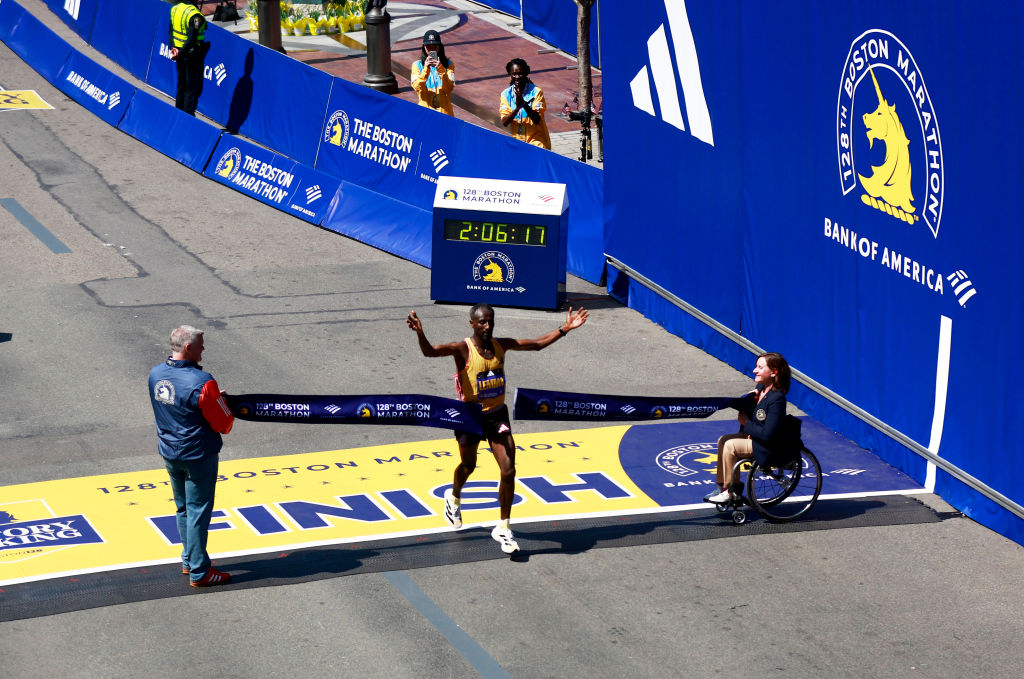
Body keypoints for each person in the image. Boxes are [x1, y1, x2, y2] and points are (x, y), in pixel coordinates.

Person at [406, 303, 588, 553]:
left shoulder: (501, 345)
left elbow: (536, 344)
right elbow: (431, 352)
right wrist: (420, 333)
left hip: (496, 416)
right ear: (472, 324)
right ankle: (454, 497)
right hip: (469, 417)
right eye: (482, 322)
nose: (487, 326)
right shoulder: (462, 349)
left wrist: (565, 328)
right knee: (468, 466)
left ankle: (503, 527)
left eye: (490, 321)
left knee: (509, 469)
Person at [149, 325, 234, 586]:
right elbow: (224, 424)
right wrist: (220, 403)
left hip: (169, 452)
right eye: (200, 344)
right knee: (198, 511)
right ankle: (200, 571)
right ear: (188, 348)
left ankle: (189, 560)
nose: (203, 348)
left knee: (183, 508)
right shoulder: (202, 382)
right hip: (198, 455)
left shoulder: (155, 374)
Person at [705, 352, 792, 504]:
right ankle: (723, 487)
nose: (754, 370)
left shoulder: (777, 399)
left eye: (760, 367)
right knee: (723, 440)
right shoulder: (763, 389)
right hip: (754, 438)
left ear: (774, 372)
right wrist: (757, 390)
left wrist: (746, 422)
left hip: (766, 445)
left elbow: (767, 435)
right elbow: (760, 385)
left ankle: (730, 491)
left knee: (730, 445)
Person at [500, 58, 551, 150]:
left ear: (526, 73)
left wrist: (524, 104)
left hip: (537, 143)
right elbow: (504, 122)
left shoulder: (536, 92)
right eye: (514, 74)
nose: (517, 76)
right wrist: (517, 108)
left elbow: (537, 119)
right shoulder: (505, 94)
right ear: (509, 74)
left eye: (520, 73)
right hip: (518, 143)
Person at [169, 0, 209, 116]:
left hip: (178, 53)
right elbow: (192, 39)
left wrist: (174, 49)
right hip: (191, 55)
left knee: (181, 84)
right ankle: (187, 117)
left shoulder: (175, 9)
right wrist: (181, 53)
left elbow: (171, 31)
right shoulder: (195, 16)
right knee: (190, 88)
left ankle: (178, 112)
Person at [410, 30, 455, 116]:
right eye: (428, 46)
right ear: (424, 47)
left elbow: (449, 88)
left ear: (440, 47)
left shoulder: (449, 65)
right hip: (425, 114)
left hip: (444, 114)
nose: (432, 49)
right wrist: (426, 70)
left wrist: (441, 70)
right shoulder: (417, 65)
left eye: (435, 46)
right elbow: (417, 87)